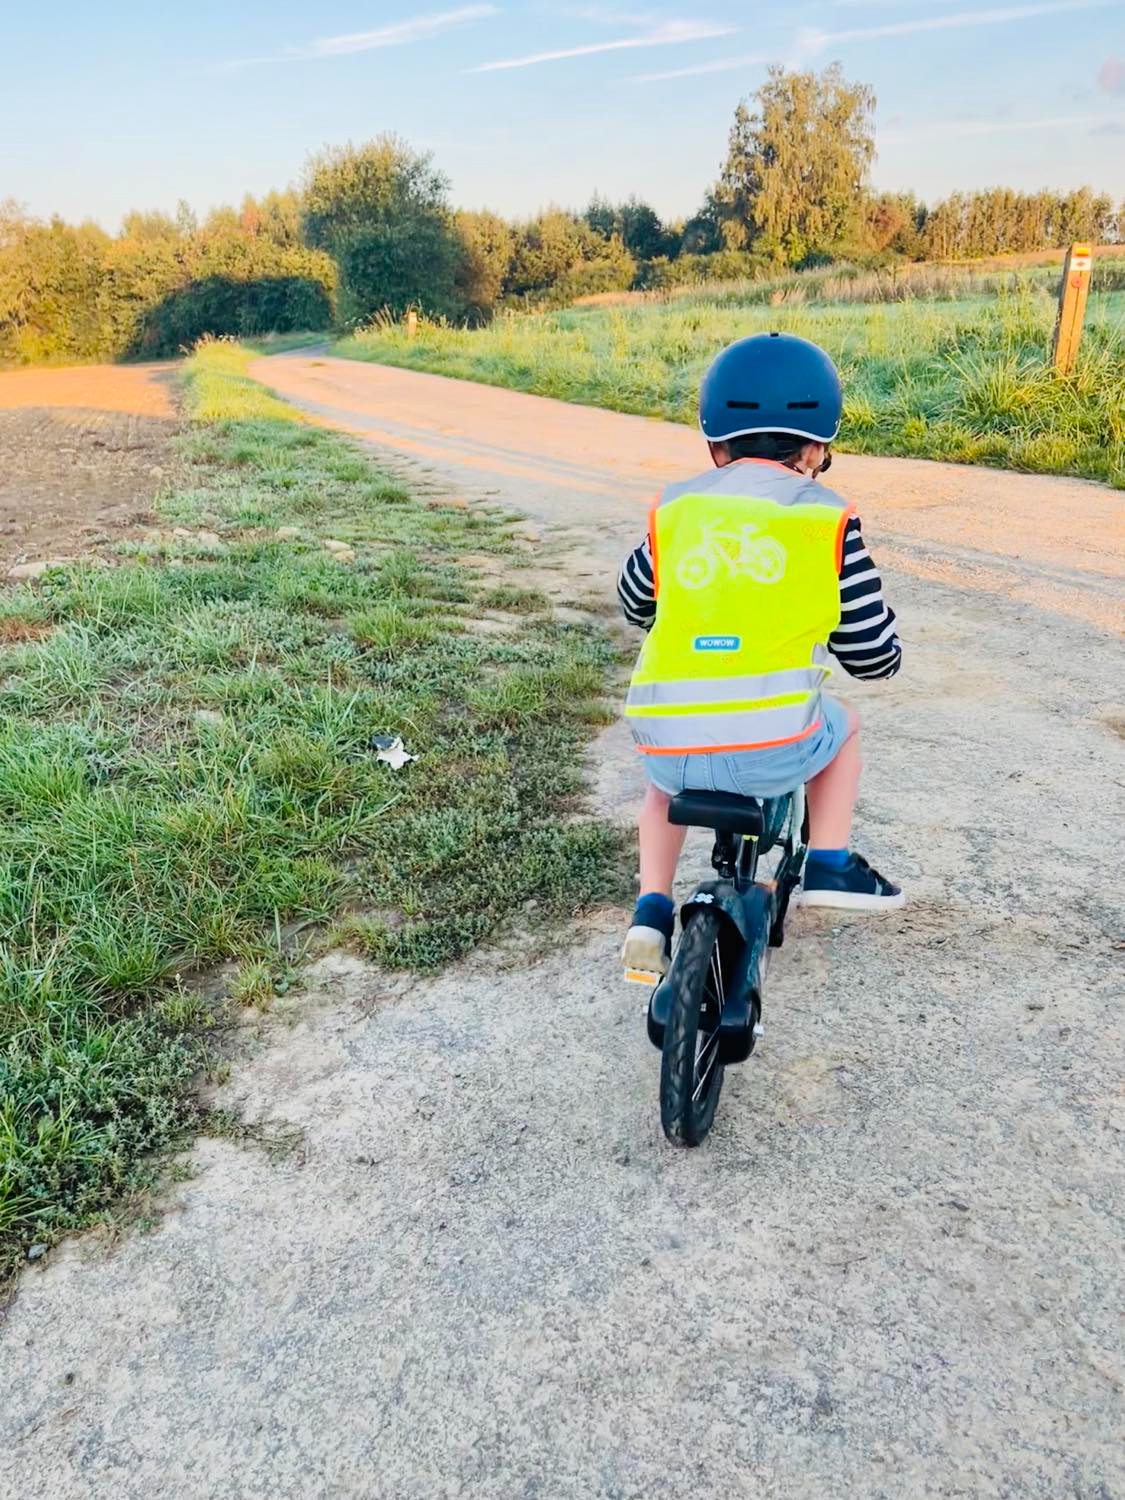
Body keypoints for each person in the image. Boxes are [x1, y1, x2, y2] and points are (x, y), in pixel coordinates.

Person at [618, 331, 904, 976]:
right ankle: (829, 861)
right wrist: (885, 656)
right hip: (774, 743)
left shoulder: (679, 509)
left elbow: (635, 600)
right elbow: (866, 648)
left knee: (661, 789)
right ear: (818, 448)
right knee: (844, 725)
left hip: (668, 741)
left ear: (715, 443)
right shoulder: (824, 518)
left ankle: (650, 909)